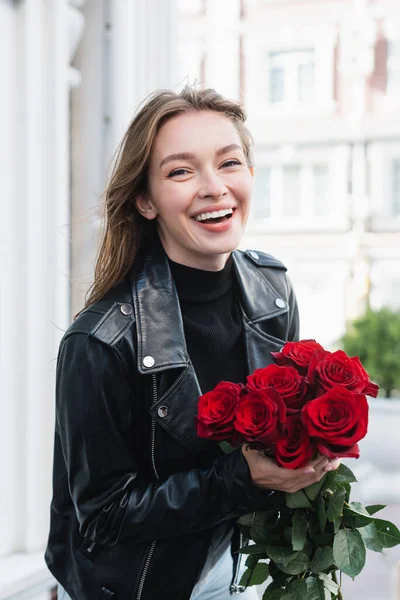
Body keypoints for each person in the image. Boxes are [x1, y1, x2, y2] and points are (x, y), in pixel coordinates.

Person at [45, 87, 339, 600]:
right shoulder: (99, 341)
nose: (214, 188)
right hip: (143, 585)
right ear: (145, 200)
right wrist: (242, 478)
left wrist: (314, 447)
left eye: (229, 162)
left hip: (247, 567)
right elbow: (103, 516)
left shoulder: (273, 288)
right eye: (181, 171)